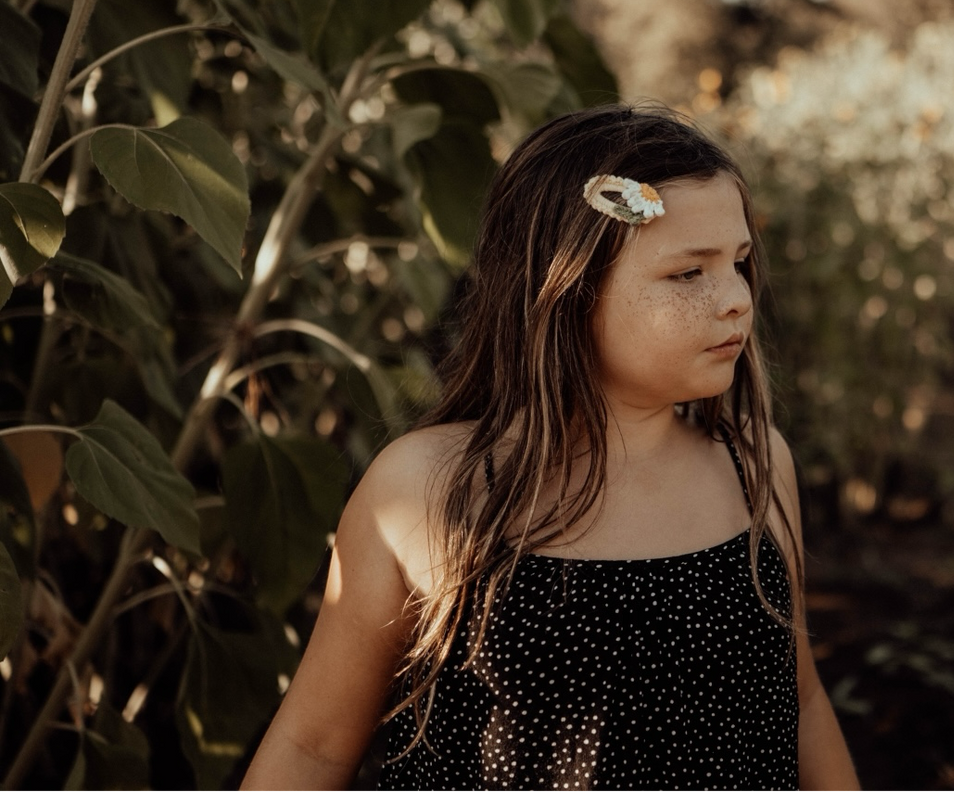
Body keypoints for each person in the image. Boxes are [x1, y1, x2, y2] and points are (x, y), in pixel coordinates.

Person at [239, 104, 861, 790]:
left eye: (739, 263)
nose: (737, 299)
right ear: (564, 286)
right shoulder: (427, 490)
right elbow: (314, 747)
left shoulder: (752, 466)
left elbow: (799, 703)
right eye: (688, 273)